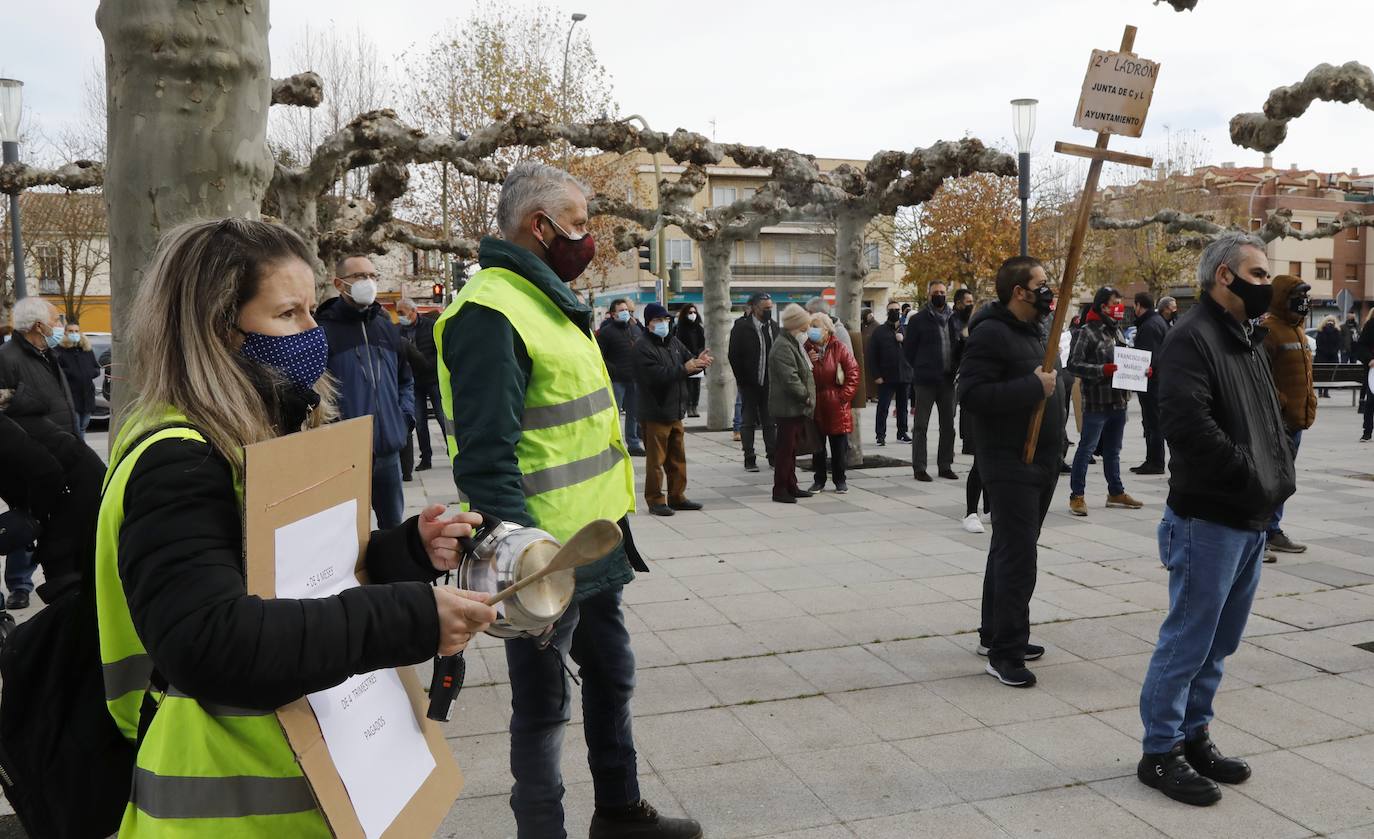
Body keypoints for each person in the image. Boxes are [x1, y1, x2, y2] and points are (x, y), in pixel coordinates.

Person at [92, 217, 497, 836]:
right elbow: (209, 639)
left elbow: (296, 580)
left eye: (312, 310)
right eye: (288, 314)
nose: (314, 330)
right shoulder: (180, 459)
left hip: (304, 778)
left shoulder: (260, 433)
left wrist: (404, 551)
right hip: (223, 805)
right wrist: (413, 616)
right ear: (218, 332)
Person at [435, 161, 701, 839]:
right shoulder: (491, 312)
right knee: (544, 706)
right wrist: (522, 573)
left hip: (592, 542)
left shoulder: (547, 299)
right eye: (579, 225)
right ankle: (540, 829)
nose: (588, 238)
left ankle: (619, 809)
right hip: (541, 560)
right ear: (540, 225)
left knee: (613, 674)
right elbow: (487, 459)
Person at [1136, 232, 1296, 807]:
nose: (1267, 284)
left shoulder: (1247, 337)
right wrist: (1252, 476)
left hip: (1250, 517)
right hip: (1208, 518)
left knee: (1220, 642)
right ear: (1223, 276)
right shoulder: (1190, 338)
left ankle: (1193, 735)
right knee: (1188, 639)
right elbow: (1188, 427)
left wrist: (1275, 479)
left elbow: (1265, 419)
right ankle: (1159, 752)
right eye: (1257, 274)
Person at [958, 256, 1063, 688]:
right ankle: (1006, 652)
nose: (1047, 290)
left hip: (1041, 460)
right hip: (1009, 461)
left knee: (1008, 550)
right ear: (1019, 291)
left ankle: (994, 633)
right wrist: (1032, 387)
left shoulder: (1038, 331)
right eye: (1040, 284)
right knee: (1019, 556)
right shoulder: (990, 334)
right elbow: (972, 394)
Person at [316, 255, 415, 529]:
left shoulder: (386, 327)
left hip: (388, 452)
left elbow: (405, 380)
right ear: (339, 284)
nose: (368, 282)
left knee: (393, 529)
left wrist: (404, 419)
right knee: (349, 533)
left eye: (373, 276)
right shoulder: (322, 332)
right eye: (360, 276)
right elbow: (314, 392)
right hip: (344, 457)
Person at [0, 297, 78, 608]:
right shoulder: (7, 358)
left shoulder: (48, 353)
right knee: (27, 516)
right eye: (56, 320)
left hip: (63, 444)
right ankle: (20, 584)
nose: (59, 327)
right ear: (37, 326)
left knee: (57, 516)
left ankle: (58, 574)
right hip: (30, 458)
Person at [1067, 286, 1143, 517]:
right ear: (1103, 306)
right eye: (1115, 303)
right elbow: (1073, 364)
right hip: (1097, 404)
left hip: (1118, 402)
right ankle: (1076, 496)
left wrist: (1140, 371)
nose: (1119, 308)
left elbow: (1124, 360)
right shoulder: (1086, 332)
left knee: (1113, 451)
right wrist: (1103, 369)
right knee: (1086, 448)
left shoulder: (1116, 331)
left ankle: (1116, 492)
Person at [1260, 276, 1316, 560]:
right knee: (1272, 479)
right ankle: (1264, 533)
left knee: (1284, 479)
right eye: (1297, 296)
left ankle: (1271, 530)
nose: (1303, 303)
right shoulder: (1269, 331)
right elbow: (1262, 377)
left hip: (1296, 421)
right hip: (1277, 421)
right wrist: (1281, 405)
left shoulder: (1298, 331)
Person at [636, 303, 711, 516]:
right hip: (655, 411)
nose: (664, 324)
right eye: (658, 321)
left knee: (677, 458)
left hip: (676, 409)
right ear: (648, 323)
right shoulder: (642, 346)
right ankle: (655, 500)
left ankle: (677, 496)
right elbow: (655, 375)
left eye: (666, 320)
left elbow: (689, 361)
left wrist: (699, 362)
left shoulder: (673, 342)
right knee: (656, 462)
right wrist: (684, 369)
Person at [904, 280, 961, 482]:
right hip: (925, 381)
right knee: (921, 426)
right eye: (936, 292)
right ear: (929, 295)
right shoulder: (918, 320)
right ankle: (919, 467)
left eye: (942, 292)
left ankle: (945, 465)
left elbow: (959, 345)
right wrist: (921, 367)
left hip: (948, 381)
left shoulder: (954, 319)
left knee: (948, 426)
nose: (939, 295)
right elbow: (908, 350)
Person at [769, 305, 818, 504]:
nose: (806, 333)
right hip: (788, 407)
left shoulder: (792, 343)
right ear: (795, 326)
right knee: (785, 450)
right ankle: (780, 489)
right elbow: (790, 378)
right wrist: (805, 396)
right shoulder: (783, 346)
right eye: (804, 328)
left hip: (795, 407)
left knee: (791, 450)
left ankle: (791, 485)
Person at [805, 312, 858, 494]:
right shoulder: (806, 348)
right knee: (817, 448)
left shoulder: (839, 348)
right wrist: (807, 363)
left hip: (836, 404)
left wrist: (843, 397)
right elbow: (798, 373)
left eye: (816, 326)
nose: (812, 330)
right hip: (815, 404)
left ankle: (840, 480)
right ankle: (819, 480)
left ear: (827, 330)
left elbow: (853, 373)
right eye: (810, 326)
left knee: (838, 447)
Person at [728, 292, 779, 472]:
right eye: (765, 308)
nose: (768, 311)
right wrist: (742, 380)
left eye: (770, 308)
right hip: (749, 383)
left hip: (770, 384)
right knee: (747, 421)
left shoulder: (774, 327)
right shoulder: (741, 327)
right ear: (755, 308)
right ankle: (749, 457)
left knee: (769, 421)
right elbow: (733, 355)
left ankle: (772, 455)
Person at [396, 297, 446, 475]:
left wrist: (426, 364)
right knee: (419, 422)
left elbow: (440, 351)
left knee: (442, 417)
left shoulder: (430, 326)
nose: (399, 316)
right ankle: (426, 458)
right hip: (413, 382)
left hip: (432, 379)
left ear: (413, 311)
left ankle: (452, 451)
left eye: (402, 313)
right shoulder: (398, 331)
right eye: (398, 313)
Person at [597, 298, 646, 456]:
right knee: (614, 413)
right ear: (613, 314)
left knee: (634, 413)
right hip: (617, 380)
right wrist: (613, 370)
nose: (626, 313)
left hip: (634, 378)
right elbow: (599, 356)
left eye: (627, 310)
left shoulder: (635, 329)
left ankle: (633, 444)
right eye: (622, 310)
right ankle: (612, 442)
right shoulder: (606, 332)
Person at [1129, 293, 1169, 475]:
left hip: (1151, 382)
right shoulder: (1157, 321)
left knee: (1153, 423)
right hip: (1156, 381)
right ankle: (1151, 460)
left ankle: (1155, 462)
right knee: (1153, 422)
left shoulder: (1149, 325)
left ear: (1138, 305)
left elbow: (1148, 356)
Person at [867, 300, 912, 448]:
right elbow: (872, 355)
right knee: (883, 407)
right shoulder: (879, 331)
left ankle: (902, 432)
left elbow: (913, 349)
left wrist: (903, 340)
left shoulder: (905, 330)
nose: (895, 312)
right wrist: (876, 375)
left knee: (903, 406)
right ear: (887, 312)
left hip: (904, 375)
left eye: (897, 309)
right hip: (886, 376)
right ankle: (880, 435)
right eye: (891, 310)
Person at [57, 318, 101, 439]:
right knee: (75, 428)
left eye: (76, 331)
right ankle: (80, 452)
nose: (74, 334)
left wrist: (89, 373)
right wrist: (72, 373)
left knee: (83, 427)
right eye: (71, 331)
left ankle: (80, 451)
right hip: (71, 396)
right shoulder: (59, 351)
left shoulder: (86, 349)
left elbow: (96, 368)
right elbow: (57, 372)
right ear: (65, 332)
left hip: (87, 396)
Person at [952, 288, 976, 455]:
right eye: (968, 302)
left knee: (969, 408)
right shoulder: (952, 322)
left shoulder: (972, 321)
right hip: (954, 372)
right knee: (951, 413)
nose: (971, 305)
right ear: (959, 304)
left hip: (970, 370)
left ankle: (969, 442)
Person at [672, 303, 706, 418]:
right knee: (687, 386)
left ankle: (694, 407)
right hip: (686, 360)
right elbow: (679, 345)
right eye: (690, 313)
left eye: (694, 312)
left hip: (698, 358)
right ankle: (688, 406)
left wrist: (699, 355)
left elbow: (702, 343)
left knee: (696, 386)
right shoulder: (680, 328)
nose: (693, 315)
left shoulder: (699, 328)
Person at [1354, 308, 1374, 442]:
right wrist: (1369, 359)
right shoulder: (1371, 325)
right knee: (1371, 402)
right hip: (1373, 368)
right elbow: (1360, 346)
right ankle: (1367, 431)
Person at [1314, 314, 1341, 399]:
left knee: (1321, 374)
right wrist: (1332, 352)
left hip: (1321, 357)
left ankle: (1320, 391)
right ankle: (1326, 392)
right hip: (1332, 357)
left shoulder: (1320, 331)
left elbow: (1318, 345)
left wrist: (1325, 352)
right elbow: (1338, 345)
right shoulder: (1337, 332)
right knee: (1328, 374)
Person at [860, 308, 880, 401]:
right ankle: (865, 394)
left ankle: (873, 395)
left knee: (872, 375)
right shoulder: (861, 326)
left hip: (873, 355)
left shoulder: (877, 326)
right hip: (863, 355)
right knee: (863, 376)